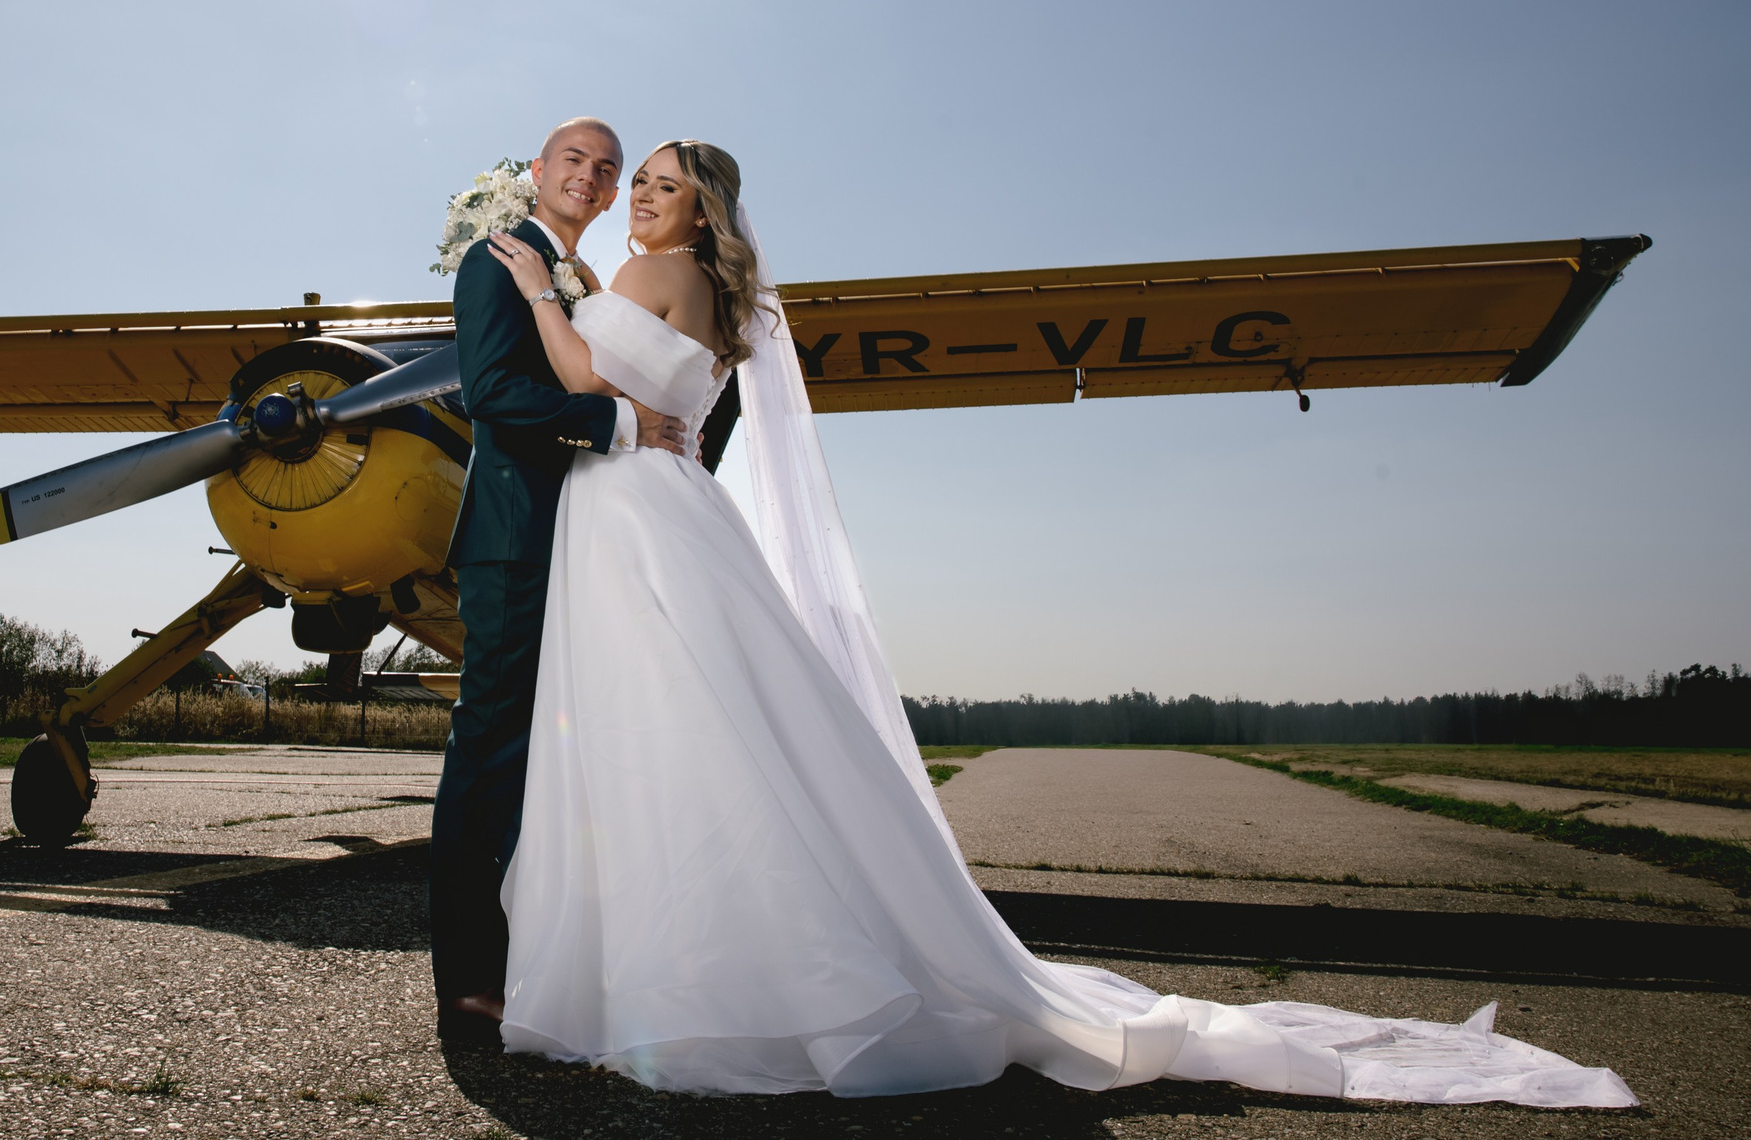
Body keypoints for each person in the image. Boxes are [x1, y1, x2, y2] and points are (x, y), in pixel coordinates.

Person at [479, 138, 1634, 1107]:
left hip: (634, 515)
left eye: (662, 186)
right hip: (656, 507)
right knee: (693, 732)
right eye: (634, 183)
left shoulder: (637, 282)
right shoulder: (715, 298)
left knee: (660, 730)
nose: (640, 198)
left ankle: (677, 972)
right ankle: (689, 956)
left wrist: (532, 278)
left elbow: (580, 369)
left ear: (702, 213)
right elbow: (641, 396)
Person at [428, 117, 694, 1045]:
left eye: (609, 169)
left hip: (595, 543)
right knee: (492, 755)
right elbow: (494, 393)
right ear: (537, 172)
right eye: (573, 160)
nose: (592, 176)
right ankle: (466, 982)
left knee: (565, 762)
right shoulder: (496, 263)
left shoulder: (583, 282)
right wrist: (621, 423)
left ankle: (548, 962)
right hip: (517, 543)